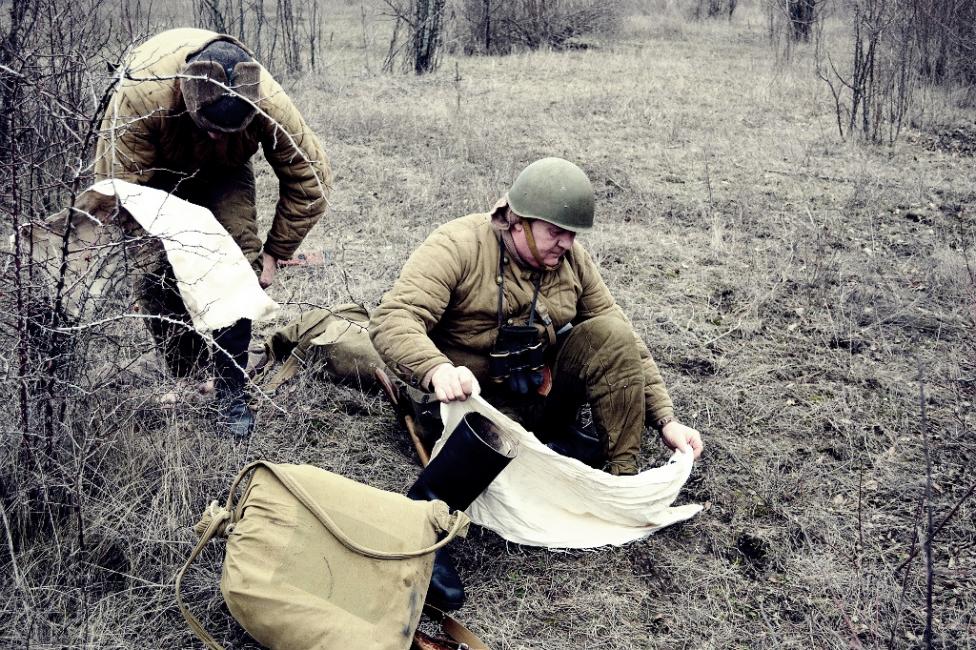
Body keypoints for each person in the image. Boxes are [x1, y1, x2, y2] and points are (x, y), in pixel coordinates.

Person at [370, 157, 703, 476]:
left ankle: (623, 477)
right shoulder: (457, 245)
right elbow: (394, 318)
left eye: (572, 233)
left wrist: (666, 420)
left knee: (611, 333)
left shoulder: (572, 260)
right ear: (518, 221)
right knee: (496, 473)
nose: (566, 243)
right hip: (468, 407)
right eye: (555, 231)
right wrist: (438, 370)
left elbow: (623, 340)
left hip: (539, 397)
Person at [95, 28, 332, 437]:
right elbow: (118, 189)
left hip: (225, 172)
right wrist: (170, 250)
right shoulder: (142, 94)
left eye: (227, 130)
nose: (216, 136)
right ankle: (190, 373)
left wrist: (275, 252)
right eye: (210, 128)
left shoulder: (268, 101)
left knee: (239, 264)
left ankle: (229, 390)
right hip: (154, 177)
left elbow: (311, 181)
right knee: (156, 272)